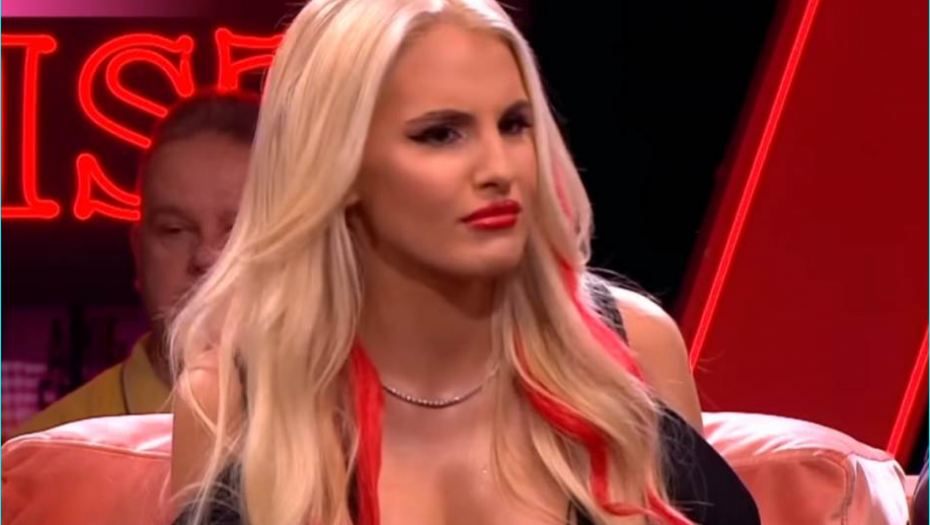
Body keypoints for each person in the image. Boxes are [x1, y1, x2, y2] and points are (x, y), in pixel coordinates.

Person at [169, 1, 758, 524]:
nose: (499, 168)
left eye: (514, 125)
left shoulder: (632, 349)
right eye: (441, 134)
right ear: (338, 167)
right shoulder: (229, 400)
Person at [9, 91, 259, 438]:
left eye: (236, 229)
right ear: (138, 253)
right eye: (174, 230)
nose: (205, 256)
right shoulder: (42, 453)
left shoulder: (336, 433)